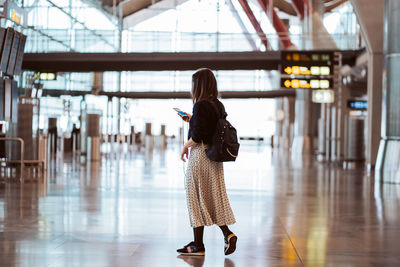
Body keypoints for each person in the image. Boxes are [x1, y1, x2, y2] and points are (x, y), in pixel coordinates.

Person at [177, 68, 237, 256]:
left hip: (200, 156)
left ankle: (199, 244)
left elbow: (198, 135)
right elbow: (209, 127)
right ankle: (222, 236)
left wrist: (184, 146)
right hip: (214, 157)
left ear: (199, 85)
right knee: (211, 197)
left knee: (195, 197)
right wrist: (191, 119)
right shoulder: (217, 105)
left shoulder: (201, 105)